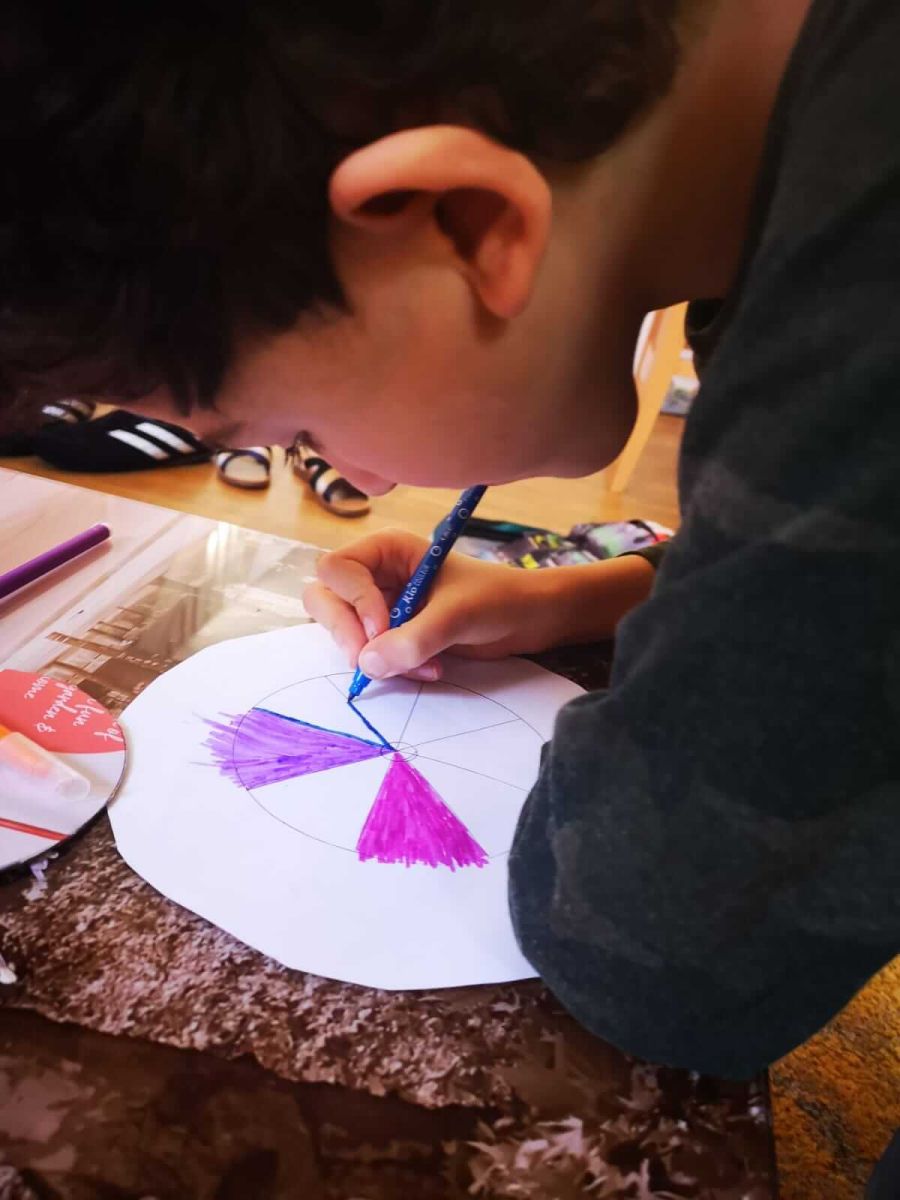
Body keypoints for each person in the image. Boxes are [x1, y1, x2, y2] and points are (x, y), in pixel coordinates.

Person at [2, 0, 897, 1114]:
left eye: (302, 440)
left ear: (471, 224)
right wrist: (599, 594)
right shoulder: (789, 157)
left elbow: (667, 953)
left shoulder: (864, 319)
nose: (360, 488)